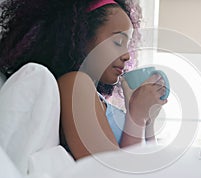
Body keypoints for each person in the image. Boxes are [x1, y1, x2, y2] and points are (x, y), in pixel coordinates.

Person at [0, 0, 168, 160]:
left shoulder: (93, 96)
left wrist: (147, 122)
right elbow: (112, 174)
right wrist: (136, 117)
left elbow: (147, 164)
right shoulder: (74, 84)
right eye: (118, 42)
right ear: (83, 35)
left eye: (128, 44)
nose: (127, 55)